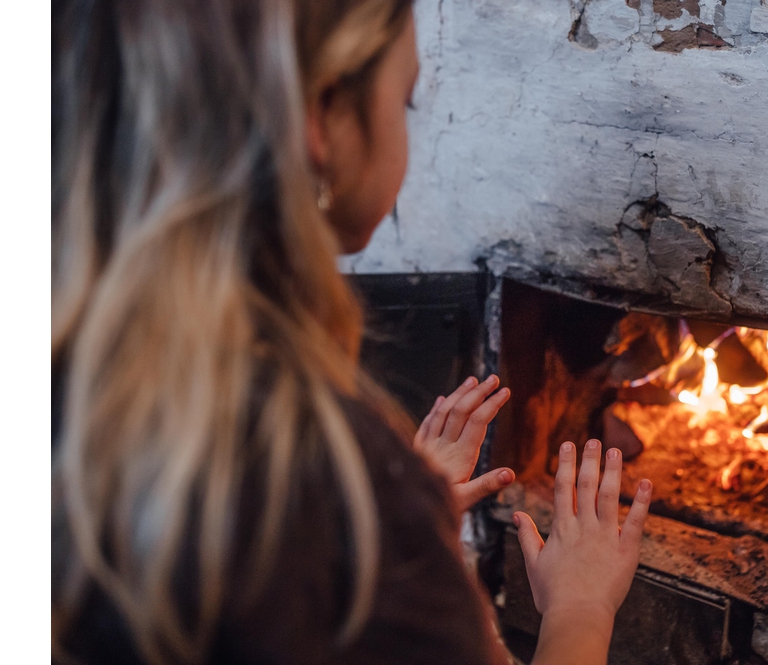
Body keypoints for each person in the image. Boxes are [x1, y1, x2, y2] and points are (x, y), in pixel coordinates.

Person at [51, 1, 652, 664]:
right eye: (406, 102)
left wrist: (408, 521)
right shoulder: (329, 495)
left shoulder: (73, 396)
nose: (407, 124)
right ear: (323, 116)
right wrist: (580, 607)